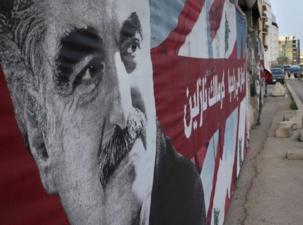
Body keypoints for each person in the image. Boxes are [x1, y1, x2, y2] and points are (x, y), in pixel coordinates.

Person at [0, 0, 205, 225]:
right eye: (89, 71)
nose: (125, 113)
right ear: (41, 144)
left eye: (131, 47)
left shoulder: (184, 195)